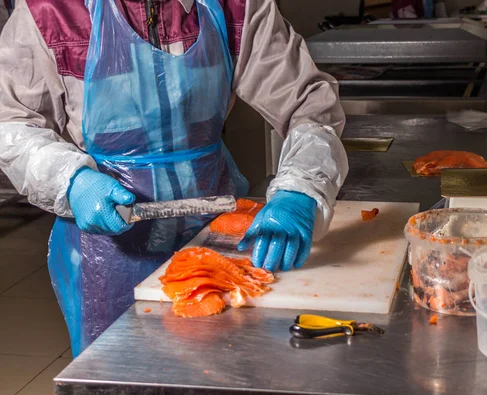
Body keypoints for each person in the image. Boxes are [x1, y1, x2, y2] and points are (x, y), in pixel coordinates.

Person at [0, 0, 348, 357]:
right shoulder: (51, 10)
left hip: (218, 240)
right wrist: (70, 179)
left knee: (227, 367)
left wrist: (301, 189)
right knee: (119, 376)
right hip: (107, 249)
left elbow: (308, 105)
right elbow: (10, 121)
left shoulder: (238, 7)